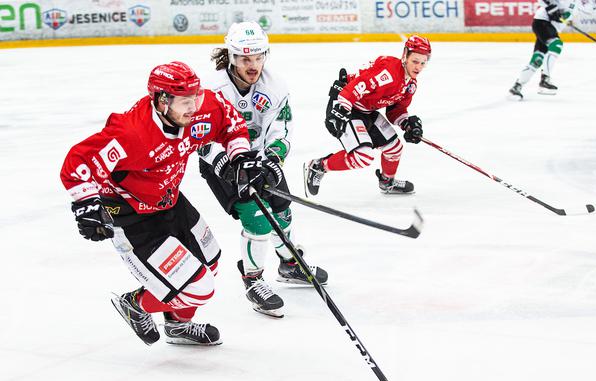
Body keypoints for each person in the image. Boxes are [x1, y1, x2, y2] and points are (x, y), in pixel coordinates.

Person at [60, 61, 283, 345]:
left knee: (210, 263)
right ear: (162, 101)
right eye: (185, 101)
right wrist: (87, 204)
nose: (193, 107)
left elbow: (231, 123)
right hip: (132, 216)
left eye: (195, 97)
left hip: (169, 199)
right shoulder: (132, 133)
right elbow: (78, 160)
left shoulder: (201, 109)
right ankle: (136, 304)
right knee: (199, 288)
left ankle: (178, 325)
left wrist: (240, 158)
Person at [199, 22, 328, 319]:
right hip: (224, 164)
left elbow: (282, 127)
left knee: (282, 208)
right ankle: (253, 280)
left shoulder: (276, 86)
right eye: (245, 59)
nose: (253, 65)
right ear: (231, 57)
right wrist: (228, 165)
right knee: (257, 220)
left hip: (259, 157)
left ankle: (289, 264)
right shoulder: (211, 90)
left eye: (258, 57)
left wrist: (272, 158)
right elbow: (200, 137)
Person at [303, 35, 431, 197]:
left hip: (365, 110)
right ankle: (319, 166)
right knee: (363, 156)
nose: (418, 67)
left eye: (423, 62)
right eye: (415, 61)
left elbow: (395, 111)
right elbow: (358, 85)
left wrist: (407, 124)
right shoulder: (389, 73)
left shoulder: (410, 84)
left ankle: (387, 182)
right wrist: (343, 107)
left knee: (394, 148)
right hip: (346, 104)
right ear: (405, 55)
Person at [508, 0, 596, 100]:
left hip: (551, 28)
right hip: (542, 21)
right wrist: (552, 9)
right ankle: (545, 79)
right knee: (556, 45)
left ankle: (517, 86)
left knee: (537, 59)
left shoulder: (582, 4)